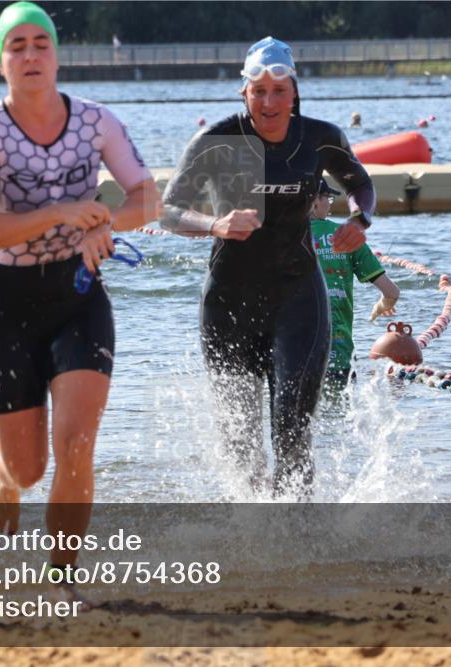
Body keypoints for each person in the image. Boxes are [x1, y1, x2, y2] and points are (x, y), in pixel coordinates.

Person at [0, 1, 159, 595]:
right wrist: (61, 212)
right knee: (29, 467)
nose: (29, 55)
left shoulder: (97, 123)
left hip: (76, 296)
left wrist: (105, 224)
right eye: (15, 46)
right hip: (2, 304)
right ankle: (5, 472)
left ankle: (61, 582)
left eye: (39, 44)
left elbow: (147, 198)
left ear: (57, 56)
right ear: (1, 64)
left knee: (76, 446)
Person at [160, 36, 376, 497]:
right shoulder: (217, 141)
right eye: (259, 90)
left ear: (294, 91)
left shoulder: (318, 139)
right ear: (245, 93)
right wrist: (215, 224)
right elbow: (170, 210)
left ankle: (295, 545)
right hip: (228, 306)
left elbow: (361, 183)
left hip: (297, 300)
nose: (270, 101)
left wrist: (361, 219)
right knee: (241, 444)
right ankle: (256, 534)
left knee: (292, 432)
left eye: (279, 89)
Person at [310, 181, 398, 389]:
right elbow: (391, 292)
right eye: (328, 199)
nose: (330, 205)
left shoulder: (281, 238)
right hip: (337, 357)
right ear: (314, 201)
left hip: (290, 358)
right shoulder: (346, 236)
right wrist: (379, 308)